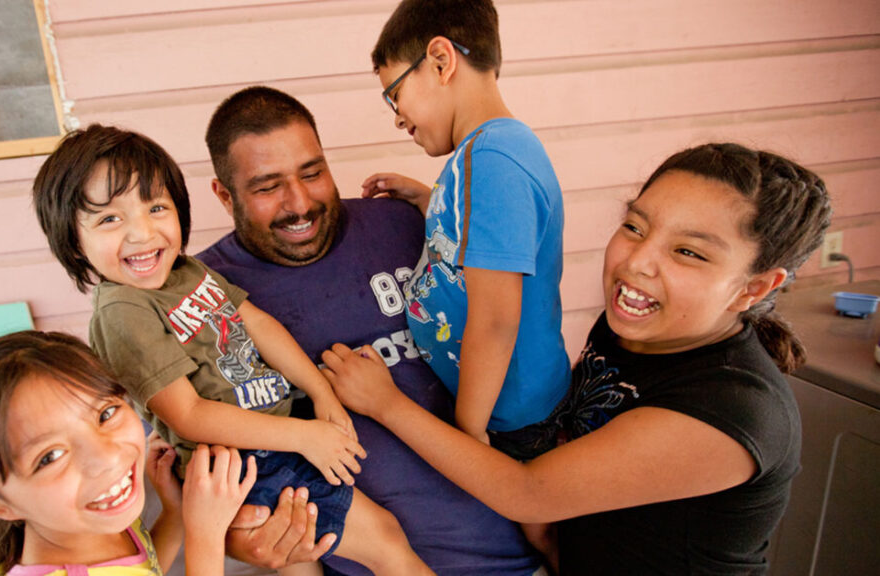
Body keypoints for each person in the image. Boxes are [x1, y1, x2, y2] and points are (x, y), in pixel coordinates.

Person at [323, 142, 832, 575]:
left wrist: (387, 404)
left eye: (689, 253)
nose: (636, 262)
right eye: (635, 226)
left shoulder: (731, 414)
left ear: (755, 287)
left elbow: (527, 492)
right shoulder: (636, 331)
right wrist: (444, 211)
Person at [31, 125, 433, 576]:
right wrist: (305, 437)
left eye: (156, 207)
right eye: (110, 219)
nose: (143, 233)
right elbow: (188, 416)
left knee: (305, 564)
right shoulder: (123, 311)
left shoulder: (186, 271)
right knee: (385, 539)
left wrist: (320, 391)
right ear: (72, 240)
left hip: (273, 441)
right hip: (244, 464)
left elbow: (258, 324)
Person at [199, 85, 544, 575]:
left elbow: (496, 300)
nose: (299, 203)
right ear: (223, 194)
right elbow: (189, 452)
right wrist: (240, 539)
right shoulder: (204, 296)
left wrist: (432, 203)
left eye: (312, 173)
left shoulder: (402, 224)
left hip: (518, 553)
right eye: (267, 186)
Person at [361, 0, 570, 564]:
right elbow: (479, 244)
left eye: (394, 95)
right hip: (501, 409)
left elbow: (497, 318)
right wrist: (427, 201)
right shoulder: (479, 157)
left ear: (440, 60)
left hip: (510, 416)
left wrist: (468, 432)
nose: (397, 117)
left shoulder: (496, 158)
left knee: (543, 533)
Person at [0, 330, 258, 576]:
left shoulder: (91, 525)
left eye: (106, 414)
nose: (107, 458)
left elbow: (142, 566)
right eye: (49, 456)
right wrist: (206, 535)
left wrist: (174, 513)